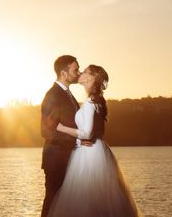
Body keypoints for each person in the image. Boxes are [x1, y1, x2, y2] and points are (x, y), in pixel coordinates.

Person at [47, 64, 140, 217]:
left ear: (91, 78)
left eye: (84, 72)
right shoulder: (96, 102)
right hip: (96, 151)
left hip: (89, 154)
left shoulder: (90, 103)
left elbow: (87, 132)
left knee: (86, 200)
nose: (80, 73)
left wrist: (61, 127)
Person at [40, 55, 82, 217]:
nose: (78, 73)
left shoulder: (68, 95)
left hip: (69, 159)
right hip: (56, 160)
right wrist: (77, 139)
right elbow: (46, 131)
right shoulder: (53, 95)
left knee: (66, 206)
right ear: (64, 73)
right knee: (52, 203)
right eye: (75, 69)